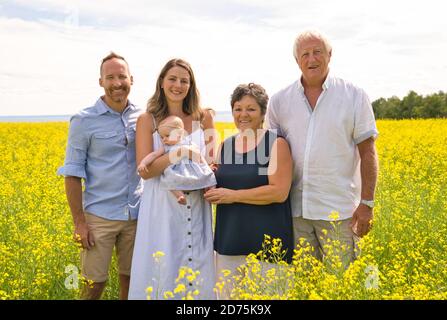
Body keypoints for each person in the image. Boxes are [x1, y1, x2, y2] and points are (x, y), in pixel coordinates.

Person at [266, 30, 379, 267]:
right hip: (296, 213)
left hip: (339, 211)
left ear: (329, 55)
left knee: (342, 283)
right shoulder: (279, 101)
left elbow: (368, 152)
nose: (311, 59)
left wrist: (367, 204)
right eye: (304, 54)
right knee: (305, 284)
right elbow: (269, 154)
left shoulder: (354, 96)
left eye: (317, 52)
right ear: (297, 61)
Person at [129, 58, 217, 300]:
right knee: (164, 265)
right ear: (161, 82)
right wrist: (181, 152)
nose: (178, 85)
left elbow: (212, 163)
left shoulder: (205, 118)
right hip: (162, 205)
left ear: (191, 85)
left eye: (184, 81)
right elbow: (145, 170)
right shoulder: (148, 120)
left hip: (197, 204)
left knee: (197, 269)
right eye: (172, 79)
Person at [57, 52, 143, 299]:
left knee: (131, 281)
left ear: (131, 79)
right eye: (110, 77)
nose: (117, 82)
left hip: (136, 215)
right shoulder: (83, 120)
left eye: (122, 76)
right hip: (99, 217)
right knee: (94, 284)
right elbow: (72, 174)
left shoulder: (144, 117)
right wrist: (79, 223)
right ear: (101, 82)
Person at [204, 83, 294, 299]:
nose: (243, 114)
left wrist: (233, 196)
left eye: (251, 109)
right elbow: (219, 183)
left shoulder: (276, 144)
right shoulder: (226, 146)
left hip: (268, 245)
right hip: (229, 241)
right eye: (237, 108)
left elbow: (279, 192)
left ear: (263, 112)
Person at [138, 114, 216, 205]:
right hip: (174, 170)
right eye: (162, 137)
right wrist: (143, 163)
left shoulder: (188, 142)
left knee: (207, 175)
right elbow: (153, 155)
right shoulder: (166, 147)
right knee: (168, 179)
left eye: (167, 136)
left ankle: (211, 189)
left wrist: (205, 166)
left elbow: (199, 156)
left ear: (179, 134)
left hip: (190, 168)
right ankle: (179, 195)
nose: (164, 140)